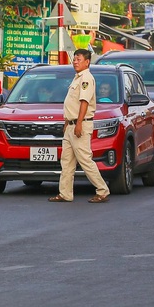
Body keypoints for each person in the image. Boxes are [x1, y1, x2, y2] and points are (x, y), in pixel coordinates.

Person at [50, 48, 110, 204]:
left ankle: (102, 190)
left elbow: (84, 102)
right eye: (74, 59)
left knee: (85, 160)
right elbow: (72, 104)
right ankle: (65, 193)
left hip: (80, 125)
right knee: (67, 161)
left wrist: (78, 124)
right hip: (70, 125)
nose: (75, 62)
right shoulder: (77, 78)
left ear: (87, 62)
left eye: (78, 59)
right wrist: (67, 123)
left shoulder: (86, 79)